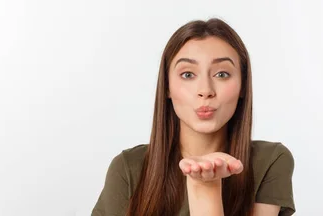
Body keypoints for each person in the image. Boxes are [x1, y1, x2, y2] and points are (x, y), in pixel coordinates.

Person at [91, 18, 295, 216]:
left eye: (222, 74)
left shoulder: (269, 161)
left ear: (243, 85)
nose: (205, 90)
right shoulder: (129, 168)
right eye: (188, 74)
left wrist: (206, 187)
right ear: (167, 87)